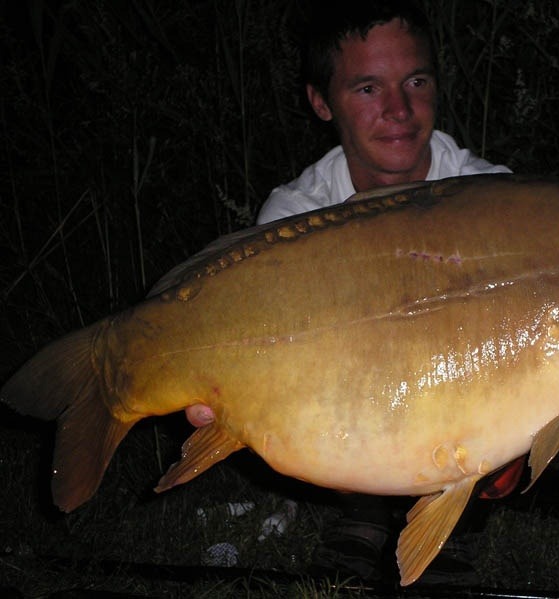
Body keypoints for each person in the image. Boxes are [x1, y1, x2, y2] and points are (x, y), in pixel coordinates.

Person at [185, 0, 512, 584]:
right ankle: (360, 512)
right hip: (349, 400)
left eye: (416, 80)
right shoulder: (293, 217)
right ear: (320, 101)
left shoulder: (496, 198)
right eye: (367, 88)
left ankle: (454, 520)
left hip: (462, 388)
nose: (399, 110)